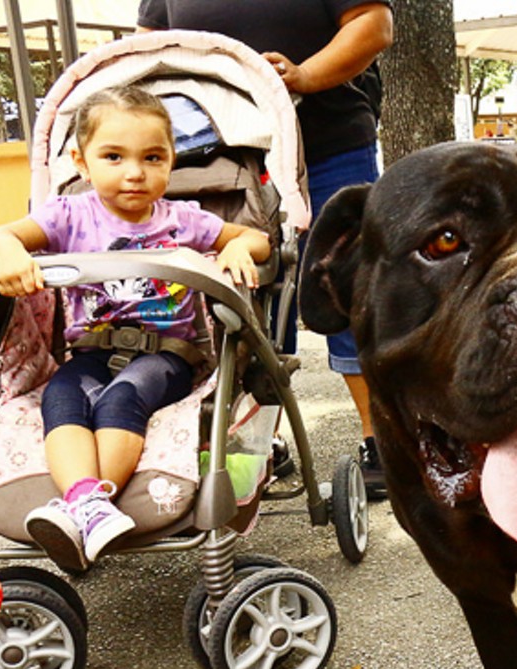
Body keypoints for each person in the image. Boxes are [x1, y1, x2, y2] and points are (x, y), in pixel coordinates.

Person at [0, 86, 271, 570]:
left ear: (171, 161)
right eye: (113, 156)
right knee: (61, 398)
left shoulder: (183, 221)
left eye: (153, 157)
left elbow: (255, 239)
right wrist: (10, 252)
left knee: (122, 397)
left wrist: (238, 248)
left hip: (169, 355)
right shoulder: (67, 217)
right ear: (81, 160)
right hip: (89, 353)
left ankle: (87, 506)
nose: (134, 172)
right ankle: (85, 502)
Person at [137, 0, 397, 495]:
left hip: (327, 140)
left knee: (355, 289)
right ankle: (257, 444)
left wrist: (301, 76)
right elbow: (148, 47)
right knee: (244, 298)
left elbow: (373, 25)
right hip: (221, 156)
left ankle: (383, 442)